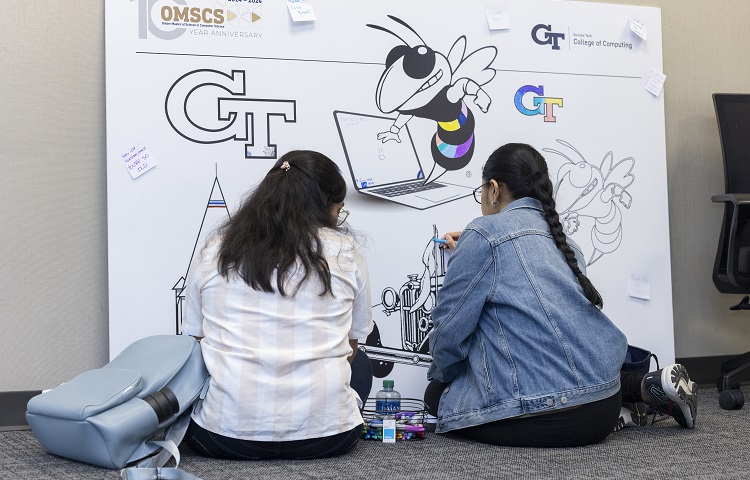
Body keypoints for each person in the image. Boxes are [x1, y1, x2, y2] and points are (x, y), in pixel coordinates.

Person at [424, 142, 698, 447]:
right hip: (603, 406)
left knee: (437, 396)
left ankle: (628, 401)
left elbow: (449, 334)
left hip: (553, 421)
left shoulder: (482, 234)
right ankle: (638, 393)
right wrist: (474, 248)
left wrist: (444, 375)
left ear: (493, 189)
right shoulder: (563, 240)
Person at [182, 150, 374, 459]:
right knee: (360, 362)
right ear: (324, 206)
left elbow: (196, 338)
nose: (338, 218)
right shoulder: (345, 251)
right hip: (328, 438)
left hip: (222, 437)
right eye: (339, 209)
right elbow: (352, 343)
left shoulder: (218, 249)